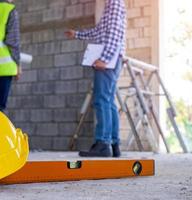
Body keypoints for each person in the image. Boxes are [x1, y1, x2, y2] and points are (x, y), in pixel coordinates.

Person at [65, 0, 127, 157]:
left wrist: (104, 59)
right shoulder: (113, 4)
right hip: (113, 60)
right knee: (109, 101)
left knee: (101, 101)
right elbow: (99, 32)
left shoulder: (114, 2)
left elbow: (114, 33)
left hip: (108, 61)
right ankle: (114, 144)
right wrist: (77, 34)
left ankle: (102, 144)